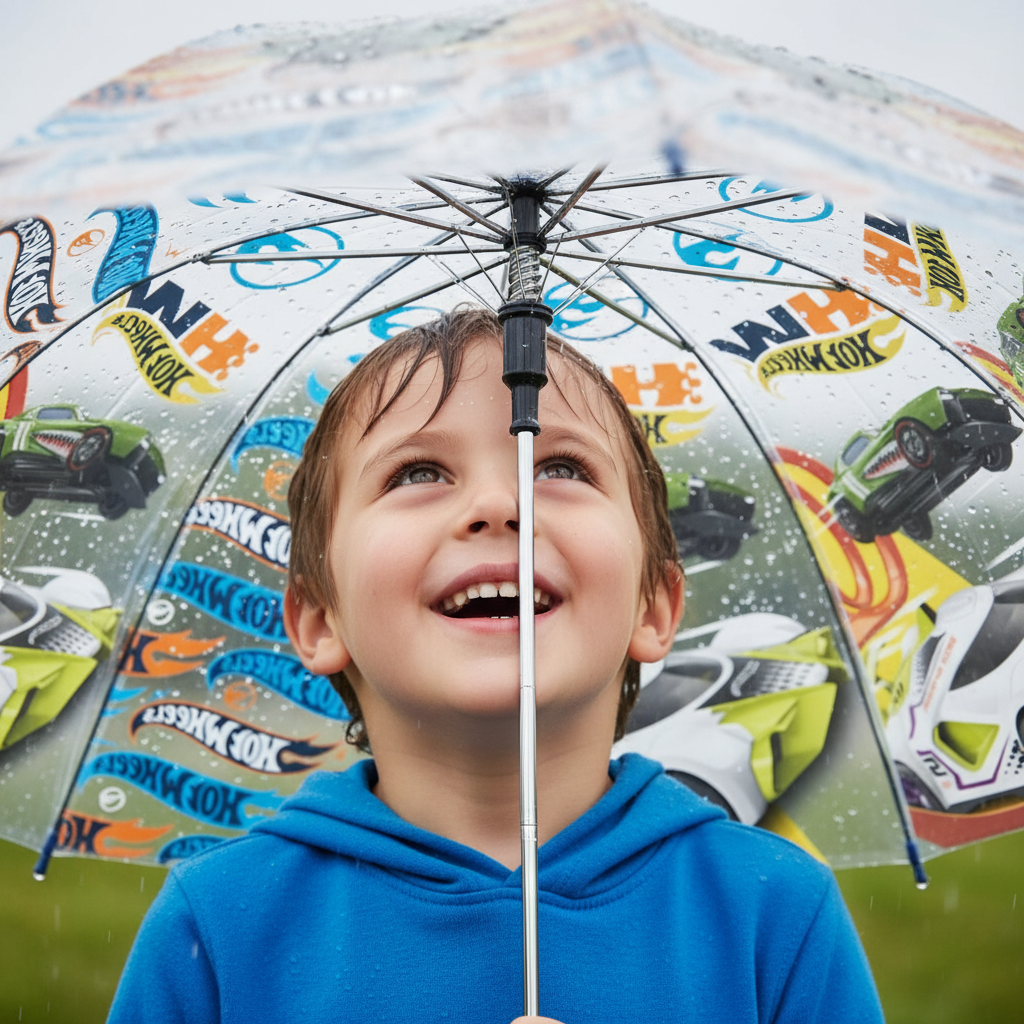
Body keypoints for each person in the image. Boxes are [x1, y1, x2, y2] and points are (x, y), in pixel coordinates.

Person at [107, 308, 884, 1024]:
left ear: (653, 607)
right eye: (417, 473)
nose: (500, 504)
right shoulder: (218, 925)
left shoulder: (773, 914)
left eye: (563, 469)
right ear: (318, 619)